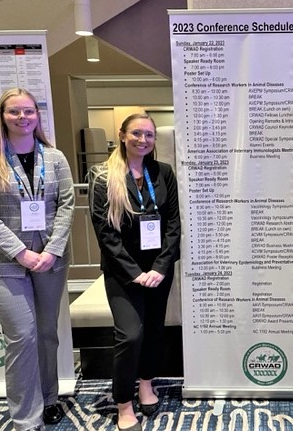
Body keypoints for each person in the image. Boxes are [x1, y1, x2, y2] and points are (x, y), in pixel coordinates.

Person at [0, 88, 74, 430]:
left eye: (28, 112)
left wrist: (52, 250)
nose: (23, 118)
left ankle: (49, 398)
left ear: (37, 116)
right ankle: (27, 419)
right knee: (23, 335)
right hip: (3, 264)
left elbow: (67, 205)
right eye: (15, 112)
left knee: (46, 334)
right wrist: (21, 253)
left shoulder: (54, 158)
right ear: (2, 116)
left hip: (50, 260)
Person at [89, 113, 180, 431]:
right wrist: (134, 272)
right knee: (130, 334)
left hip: (158, 270)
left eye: (149, 135)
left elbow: (173, 224)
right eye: (137, 133)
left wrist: (160, 266)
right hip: (121, 271)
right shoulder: (102, 176)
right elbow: (105, 232)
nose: (143, 140)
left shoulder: (163, 172)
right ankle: (124, 403)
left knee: (154, 329)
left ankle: (146, 383)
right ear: (123, 135)